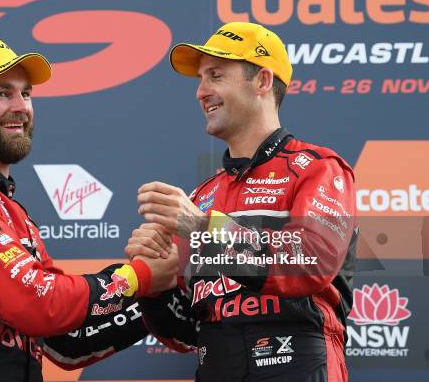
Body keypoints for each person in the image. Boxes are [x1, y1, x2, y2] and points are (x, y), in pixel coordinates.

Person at [0, 37, 177, 382]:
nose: (20, 106)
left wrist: (155, 288)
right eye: (1, 93)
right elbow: (36, 302)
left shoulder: (12, 212)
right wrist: (137, 277)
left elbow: (67, 343)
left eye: (25, 93)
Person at [125, 22, 358, 381]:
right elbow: (187, 330)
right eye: (201, 79)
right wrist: (155, 287)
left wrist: (204, 228)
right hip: (216, 365)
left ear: (263, 81)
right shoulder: (201, 197)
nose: (201, 91)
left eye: (215, 75)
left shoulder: (317, 169)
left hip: (297, 364)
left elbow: (311, 259)